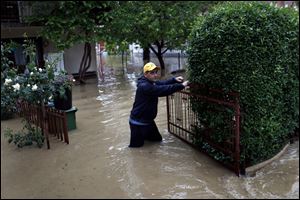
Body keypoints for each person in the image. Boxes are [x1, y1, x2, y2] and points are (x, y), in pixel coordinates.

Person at [129, 62, 189, 147]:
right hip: (138, 124)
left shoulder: (150, 82)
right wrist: (181, 85)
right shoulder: (145, 86)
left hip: (148, 122)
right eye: (152, 73)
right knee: (136, 149)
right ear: (146, 74)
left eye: (156, 72)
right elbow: (163, 90)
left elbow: (161, 84)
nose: (155, 75)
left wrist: (174, 80)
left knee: (157, 141)